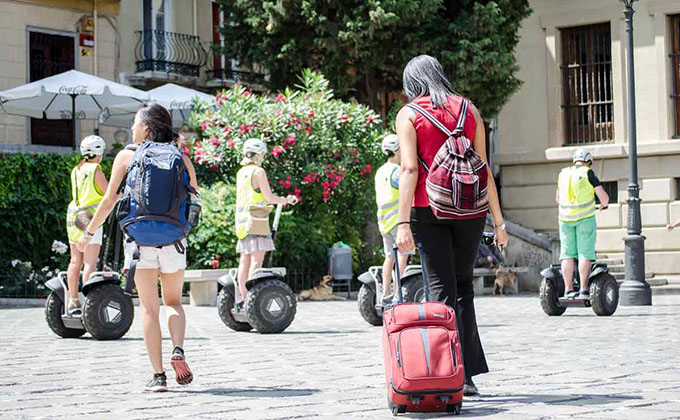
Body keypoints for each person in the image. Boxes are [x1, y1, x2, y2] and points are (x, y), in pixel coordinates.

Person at [395, 55, 508, 396]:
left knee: (439, 289)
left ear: (411, 82)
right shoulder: (469, 110)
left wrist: (402, 223)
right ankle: (468, 374)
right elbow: (484, 168)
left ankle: (447, 372)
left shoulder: (410, 114)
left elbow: (409, 170)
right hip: (470, 210)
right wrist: (499, 222)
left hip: (428, 208)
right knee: (464, 287)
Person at [77, 103, 198, 392]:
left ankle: (158, 377)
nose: (132, 127)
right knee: (174, 303)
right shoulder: (180, 157)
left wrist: (89, 232)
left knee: (148, 308)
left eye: (134, 122)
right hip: (173, 240)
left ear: (146, 127)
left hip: (140, 240)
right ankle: (178, 350)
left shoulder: (126, 155)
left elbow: (108, 201)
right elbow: (194, 199)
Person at [235, 138, 298, 304]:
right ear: (259, 154)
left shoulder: (241, 172)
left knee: (245, 260)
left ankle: (242, 297)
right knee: (257, 261)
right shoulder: (258, 172)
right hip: (257, 221)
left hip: (242, 223)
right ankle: (252, 299)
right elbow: (269, 197)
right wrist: (286, 200)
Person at [556, 148, 609, 299]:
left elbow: (558, 198)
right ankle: (584, 290)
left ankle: (568, 289)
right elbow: (603, 198)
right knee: (584, 253)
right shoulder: (588, 173)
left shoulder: (563, 173)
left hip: (565, 219)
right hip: (585, 218)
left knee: (566, 254)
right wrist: (603, 204)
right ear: (588, 161)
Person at [65, 135, 108, 314]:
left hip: (73, 216)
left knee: (75, 260)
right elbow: (109, 193)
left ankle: (73, 299)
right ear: (99, 153)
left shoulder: (76, 169)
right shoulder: (95, 169)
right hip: (89, 217)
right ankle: (89, 302)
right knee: (90, 262)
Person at [375, 134, 414, 304]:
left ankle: (385, 294)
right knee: (402, 256)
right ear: (398, 149)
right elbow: (407, 190)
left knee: (389, 257)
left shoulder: (380, 171)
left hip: (384, 221)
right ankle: (398, 293)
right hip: (398, 221)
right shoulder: (397, 172)